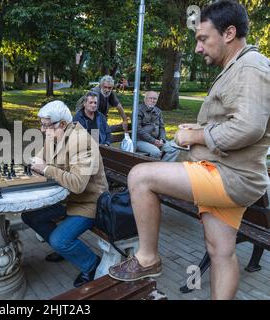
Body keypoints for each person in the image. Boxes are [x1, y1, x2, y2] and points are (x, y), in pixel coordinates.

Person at [108, 0, 270, 300]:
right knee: (220, 251)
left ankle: (148, 258)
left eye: (203, 38)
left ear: (229, 33)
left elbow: (249, 127)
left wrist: (197, 135)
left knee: (141, 176)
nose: (198, 47)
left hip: (229, 176)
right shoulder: (238, 67)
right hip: (231, 174)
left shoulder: (250, 67)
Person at [21, 100, 108, 287]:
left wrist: (45, 169)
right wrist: (35, 162)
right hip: (66, 199)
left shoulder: (82, 142)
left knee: (59, 240)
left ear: (61, 124)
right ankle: (63, 250)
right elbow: (41, 158)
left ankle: (92, 265)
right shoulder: (55, 135)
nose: (43, 130)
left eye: (45, 125)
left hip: (89, 203)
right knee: (30, 216)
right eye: (41, 125)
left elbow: (77, 184)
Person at [136, 91, 180, 161]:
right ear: (145, 99)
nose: (152, 101)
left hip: (157, 141)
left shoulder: (158, 111)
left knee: (174, 149)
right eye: (150, 98)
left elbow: (162, 128)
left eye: (155, 99)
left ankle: (162, 168)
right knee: (156, 152)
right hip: (140, 141)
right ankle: (153, 170)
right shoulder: (138, 110)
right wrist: (153, 141)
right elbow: (138, 129)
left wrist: (162, 139)